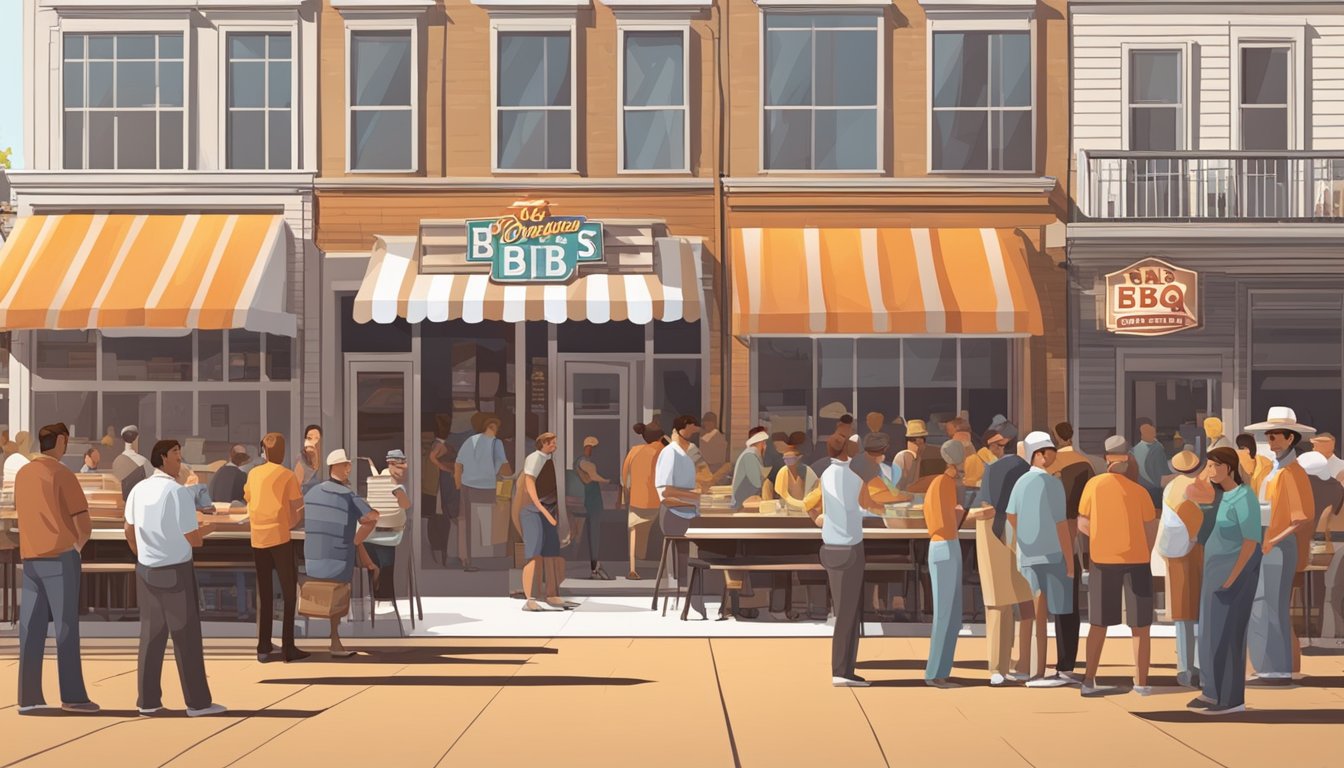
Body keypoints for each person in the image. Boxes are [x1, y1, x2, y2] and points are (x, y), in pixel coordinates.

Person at [124, 439, 229, 717]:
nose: (180, 462)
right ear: (162, 458)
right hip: (176, 571)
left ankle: (147, 701)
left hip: (146, 570)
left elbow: (129, 530)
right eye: (176, 456)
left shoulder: (138, 490)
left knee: (150, 637)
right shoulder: (178, 493)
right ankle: (197, 703)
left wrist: (142, 554)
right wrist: (211, 528)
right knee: (186, 637)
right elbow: (192, 539)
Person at [16, 423, 99, 715]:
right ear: (61, 441)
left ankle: (29, 697)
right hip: (60, 557)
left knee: (30, 628)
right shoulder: (62, 474)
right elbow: (83, 523)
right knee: (65, 627)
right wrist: (75, 547)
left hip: (30, 558)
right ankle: (73, 696)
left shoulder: (23, 474)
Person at [1078, 436, 1158, 697]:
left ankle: (1089, 680)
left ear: (1106, 459)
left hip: (1103, 560)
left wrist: (1101, 537)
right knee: (1140, 626)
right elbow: (1150, 530)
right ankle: (1142, 682)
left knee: (1099, 624)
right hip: (1137, 561)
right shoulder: (1140, 491)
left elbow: (1082, 523)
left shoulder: (1094, 485)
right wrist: (1141, 548)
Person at [1243, 407, 1315, 687]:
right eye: (1269, 436)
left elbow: (1300, 517)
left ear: (1290, 439)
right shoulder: (1273, 470)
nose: (1270, 441)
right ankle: (1268, 668)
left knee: (1269, 605)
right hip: (1267, 540)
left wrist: (1272, 539)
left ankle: (1275, 671)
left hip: (1278, 544)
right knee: (1262, 604)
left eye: (1275, 436)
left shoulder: (1292, 473)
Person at [1191, 447, 1264, 715]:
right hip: (1214, 573)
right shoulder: (1217, 498)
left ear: (1229, 468)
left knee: (1229, 633)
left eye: (1214, 466)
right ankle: (1211, 692)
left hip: (1235, 573)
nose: (1209, 471)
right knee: (1210, 633)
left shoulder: (1244, 497)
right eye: (1207, 466)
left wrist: (1233, 577)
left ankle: (1231, 698)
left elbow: (1250, 542)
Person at [966, 428, 1036, 685]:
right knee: (1022, 603)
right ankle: (1023, 663)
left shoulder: (993, 470)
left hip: (992, 533)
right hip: (1023, 534)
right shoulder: (1031, 474)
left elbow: (986, 506)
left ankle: (998, 667)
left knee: (998, 605)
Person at [1005, 432, 1074, 687]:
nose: (1053, 454)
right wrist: (1070, 561)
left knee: (1030, 614)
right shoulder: (1053, 484)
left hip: (1026, 557)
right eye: (1049, 450)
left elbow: (1011, 516)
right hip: (1053, 557)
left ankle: (1027, 667)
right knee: (1046, 615)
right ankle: (1039, 672)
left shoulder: (1021, 482)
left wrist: (1023, 538)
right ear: (1039, 455)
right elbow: (1061, 525)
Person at [806, 433, 871, 687]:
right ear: (847, 451)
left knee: (843, 611)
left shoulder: (826, 474)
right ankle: (842, 671)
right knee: (848, 612)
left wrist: (820, 521)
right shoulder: (853, 475)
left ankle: (845, 669)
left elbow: (810, 505)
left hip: (830, 546)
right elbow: (864, 506)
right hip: (849, 548)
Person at [303, 449, 381, 657]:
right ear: (336, 468)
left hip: (311, 558)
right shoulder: (348, 495)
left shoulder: (312, 492)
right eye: (345, 465)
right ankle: (335, 641)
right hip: (338, 560)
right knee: (349, 556)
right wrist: (356, 539)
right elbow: (373, 517)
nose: (349, 468)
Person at [243, 432, 308, 663]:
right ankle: (289, 647)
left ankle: (263, 646)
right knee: (289, 593)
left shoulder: (253, 474)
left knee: (265, 593)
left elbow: (248, 499)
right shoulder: (287, 475)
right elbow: (297, 507)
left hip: (258, 539)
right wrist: (292, 521)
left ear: (264, 451)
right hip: (280, 538)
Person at [1160, 450, 1208, 688]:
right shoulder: (1199, 487)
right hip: (1196, 550)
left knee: (1182, 614)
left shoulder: (1170, 488)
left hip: (1174, 552)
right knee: (1199, 612)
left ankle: (1184, 668)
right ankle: (1198, 667)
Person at [1048, 422, 1092, 681]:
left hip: (1043, 540)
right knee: (1067, 603)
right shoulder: (1084, 464)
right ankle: (1066, 663)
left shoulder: (1046, 467)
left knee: (1039, 605)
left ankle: (1032, 662)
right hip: (1071, 537)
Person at [924, 440, 968, 687]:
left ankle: (942, 670)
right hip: (945, 546)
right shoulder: (943, 483)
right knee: (944, 614)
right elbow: (945, 521)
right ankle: (934, 673)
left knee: (951, 615)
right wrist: (961, 512)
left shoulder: (942, 483)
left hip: (947, 545)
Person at [655, 415, 705, 617]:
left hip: (687, 512)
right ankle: (690, 602)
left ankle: (692, 601)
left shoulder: (685, 453)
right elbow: (666, 491)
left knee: (696, 554)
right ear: (680, 429)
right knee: (689, 557)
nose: (693, 433)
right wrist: (694, 495)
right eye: (691, 428)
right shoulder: (670, 453)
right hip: (674, 514)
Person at [519, 433, 572, 611]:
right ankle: (530, 598)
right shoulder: (534, 459)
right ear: (543, 443)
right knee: (533, 555)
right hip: (533, 511)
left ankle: (552, 594)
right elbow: (529, 485)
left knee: (551, 553)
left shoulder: (549, 460)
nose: (555, 446)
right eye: (552, 443)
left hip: (549, 510)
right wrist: (543, 511)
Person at [455, 414, 511, 573]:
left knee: (469, 523)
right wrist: (511, 479)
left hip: (468, 487)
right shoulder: (496, 443)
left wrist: (458, 484)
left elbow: (458, 463)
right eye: (495, 427)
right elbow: (504, 467)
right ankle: (488, 559)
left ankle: (469, 560)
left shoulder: (469, 441)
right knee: (490, 522)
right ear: (492, 428)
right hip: (489, 487)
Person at [367, 449, 413, 610]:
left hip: (387, 532)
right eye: (399, 467)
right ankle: (380, 592)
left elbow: (405, 505)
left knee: (382, 550)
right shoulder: (387, 481)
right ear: (391, 465)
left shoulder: (396, 484)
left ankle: (382, 593)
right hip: (382, 531)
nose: (402, 471)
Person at [621, 423, 664, 580]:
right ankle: (665, 568)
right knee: (662, 532)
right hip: (658, 499)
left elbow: (624, 477)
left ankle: (632, 568)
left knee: (634, 532)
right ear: (660, 436)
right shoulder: (662, 450)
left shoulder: (634, 451)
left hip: (637, 499)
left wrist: (625, 496)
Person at [575, 436, 612, 580]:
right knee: (593, 533)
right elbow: (594, 477)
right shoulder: (584, 462)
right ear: (587, 447)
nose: (592, 451)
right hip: (591, 500)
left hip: (591, 499)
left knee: (591, 533)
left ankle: (595, 565)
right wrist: (608, 481)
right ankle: (594, 567)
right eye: (592, 448)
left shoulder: (581, 461)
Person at [1133, 419, 1169, 506]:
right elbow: (1163, 479)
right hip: (1153, 492)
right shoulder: (1157, 449)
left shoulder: (1132, 451)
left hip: (1138, 492)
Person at [774, 443, 820, 512]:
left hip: (807, 509)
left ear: (798, 458)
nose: (788, 462)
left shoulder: (807, 471)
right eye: (785, 459)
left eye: (790, 459)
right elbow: (783, 494)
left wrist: (808, 503)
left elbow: (816, 488)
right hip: (788, 509)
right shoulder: (782, 472)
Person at [732, 427, 770, 507]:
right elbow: (756, 484)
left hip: (748, 502)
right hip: (743, 505)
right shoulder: (750, 456)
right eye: (765, 442)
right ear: (762, 443)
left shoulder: (754, 456)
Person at [113, 425, 151, 500]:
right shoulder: (143, 461)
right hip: (139, 502)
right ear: (136, 439)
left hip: (123, 505)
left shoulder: (116, 461)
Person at [697, 412, 732, 486]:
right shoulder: (708, 436)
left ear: (713, 423)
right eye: (704, 422)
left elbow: (706, 441)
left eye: (708, 422)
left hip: (716, 472)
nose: (705, 424)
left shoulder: (715, 436)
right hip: (711, 472)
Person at [294, 424, 323, 492]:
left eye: (316, 438)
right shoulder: (301, 459)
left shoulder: (322, 458)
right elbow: (297, 486)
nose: (313, 441)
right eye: (309, 438)